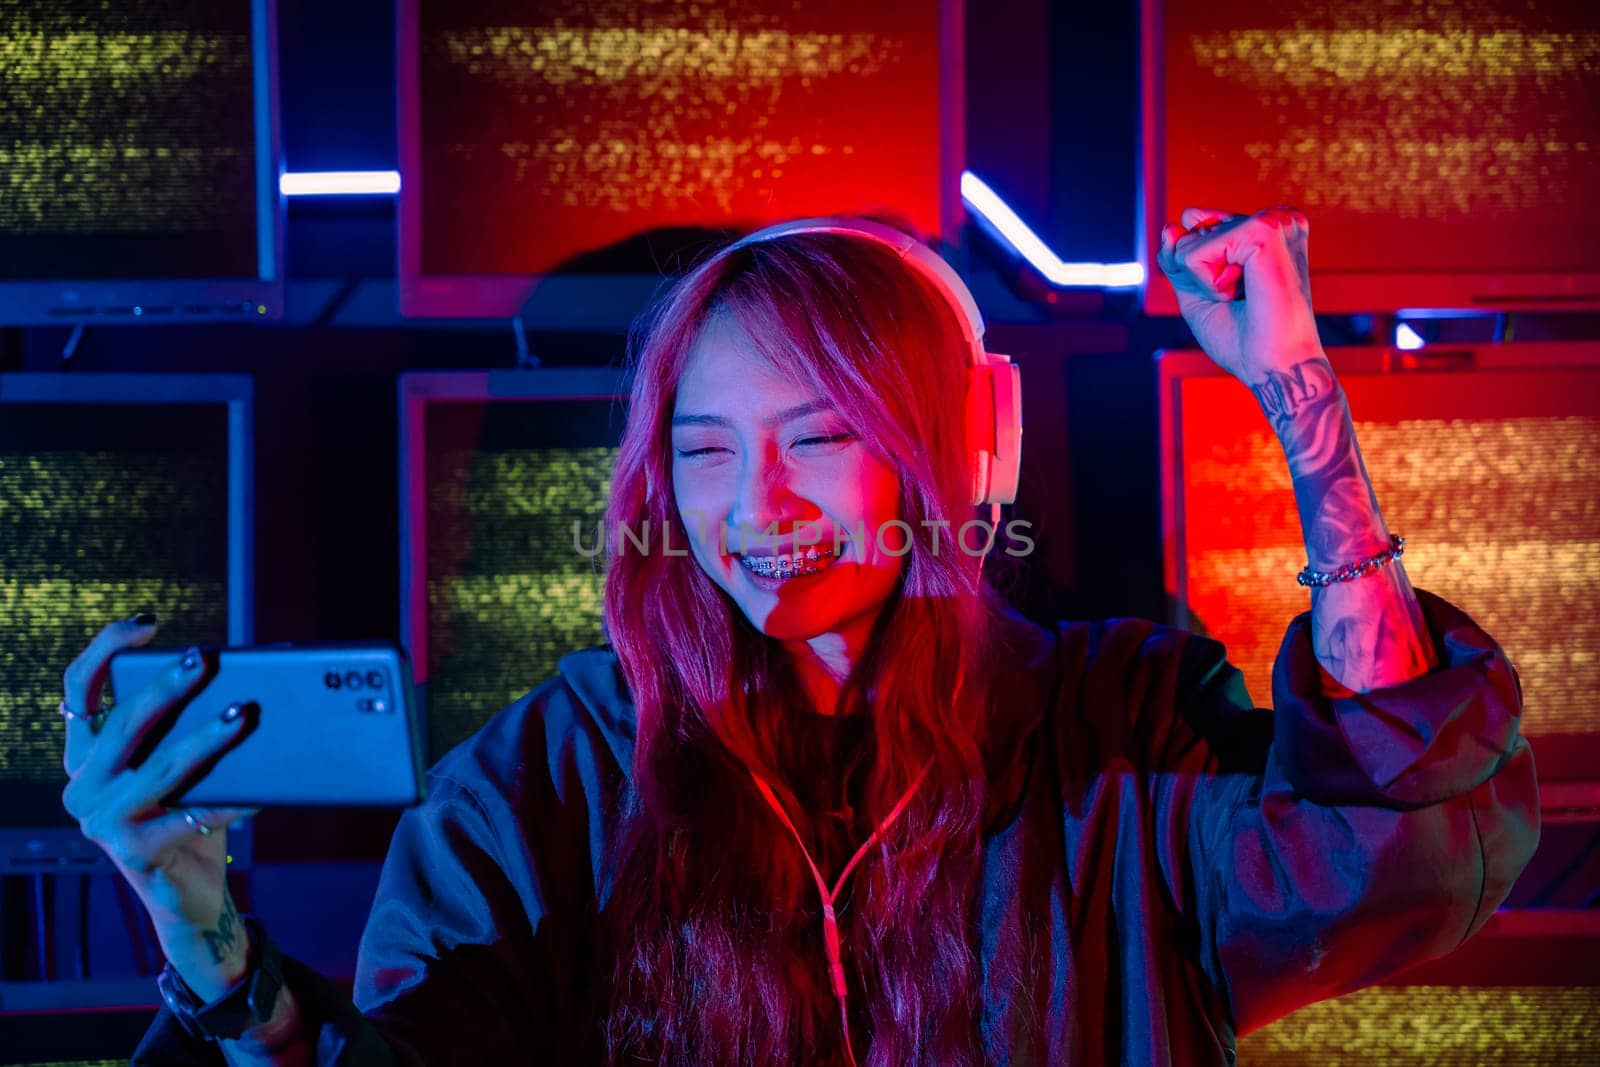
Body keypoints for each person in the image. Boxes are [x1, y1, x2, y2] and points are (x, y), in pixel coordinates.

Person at [58, 207, 1538, 1066]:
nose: (752, 506)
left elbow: (1383, 847)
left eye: (818, 434)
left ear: (957, 443)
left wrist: (1294, 393)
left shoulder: (1113, 721)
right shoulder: (556, 776)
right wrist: (208, 938)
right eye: (703, 452)